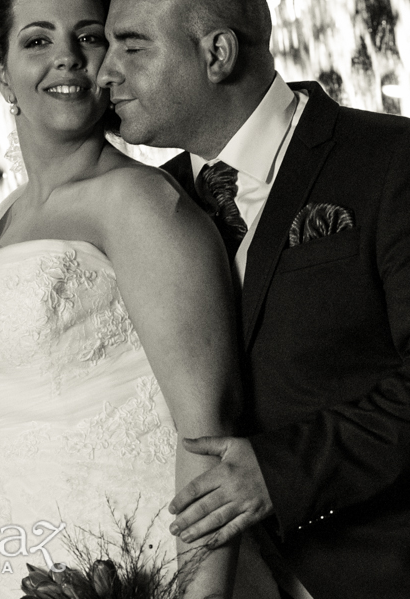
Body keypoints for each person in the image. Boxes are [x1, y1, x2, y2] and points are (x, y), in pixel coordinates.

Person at [0, 0, 275, 596]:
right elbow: (59, 371)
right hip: (0, 548)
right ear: (0, 70)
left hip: (122, 550)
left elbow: (208, 437)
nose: (66, 57)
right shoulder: (5, 214)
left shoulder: (139, 206)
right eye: (36, 41)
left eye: (88, 36)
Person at [94, 0, 410, 597]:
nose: (104, 71)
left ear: (217, 53)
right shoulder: (142, 206)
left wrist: (282, 471)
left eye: (132, 47)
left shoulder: (391, 161)